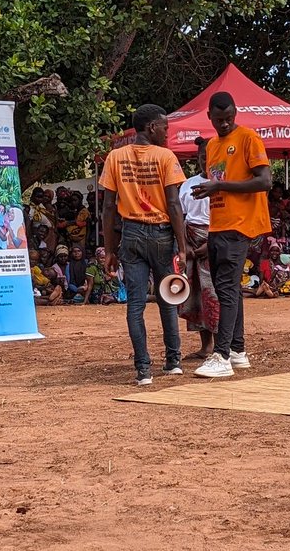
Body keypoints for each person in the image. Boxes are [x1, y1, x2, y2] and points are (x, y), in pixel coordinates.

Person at [99, 103, 188, 385]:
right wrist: (183, 247)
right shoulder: (165, 157)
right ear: (152, 127)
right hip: (161, 234)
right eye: (165, 127)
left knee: (135, 304)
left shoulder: (115, 157)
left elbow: (109, 208)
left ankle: (143, 370)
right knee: (167, 298)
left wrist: (110, 249)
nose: (167, 132)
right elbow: (174, 204)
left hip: (131, 234)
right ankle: (173, 361)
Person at [190, 91, 271, 379]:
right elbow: (218, 181)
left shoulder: (248, 138)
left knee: (225, 289)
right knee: (231, 289)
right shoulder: (212, 145)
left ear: (235, 114)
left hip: (240, 225)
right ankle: (237, 351)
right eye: (219, 119)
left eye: (229, 119)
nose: (224, 124)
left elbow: (264, 181)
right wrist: (210, 189)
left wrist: (220, 188)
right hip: (218, 224)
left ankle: (221, 355)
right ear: (209, 116)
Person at [177, 136, 219, 359]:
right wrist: (184, 247)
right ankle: (206, 346)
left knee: (213, 293)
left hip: (214, 241)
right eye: (203, 157)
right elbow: (180, 217)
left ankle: (223, 345)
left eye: (211, 158)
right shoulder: (187, 184)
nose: (206, 162)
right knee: (195, 296)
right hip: (191, 242)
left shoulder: (224, 185)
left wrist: (210, 243)